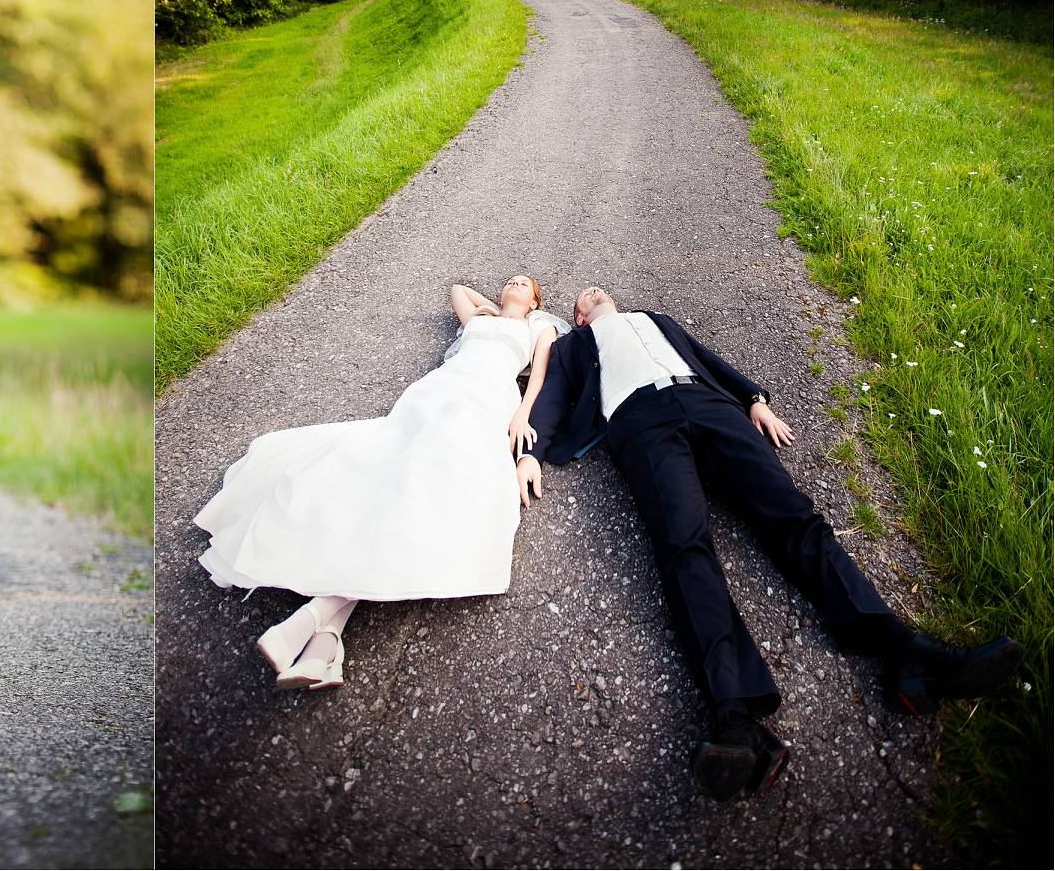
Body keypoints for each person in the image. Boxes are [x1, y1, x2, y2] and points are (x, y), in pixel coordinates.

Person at [522, 285, 1023, 800]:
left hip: (708, 402)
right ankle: (735, 719)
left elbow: (706, 356)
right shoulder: (573, 347)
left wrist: (754, 400)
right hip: (640, 423)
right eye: (584, 296)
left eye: (598, 289)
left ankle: (908, 653)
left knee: (794, 515)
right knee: (683, 545)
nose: (594, 292)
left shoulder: (655, 317)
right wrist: (530, 453)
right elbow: (554, 394)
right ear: (578, 319)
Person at [195, 275, 563, 690]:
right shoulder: (478, 318)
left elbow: (539, 378)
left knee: (425, 483)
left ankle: (315, 623)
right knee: (399, 476)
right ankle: (324, 644)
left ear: (536, 300)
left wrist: (522, 415)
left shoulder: (538, 326)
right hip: (440, 389)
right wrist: (491, 310)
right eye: (509, 281)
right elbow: (458, 290)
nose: (513, 283)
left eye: (523, 284)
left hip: (489, 398)